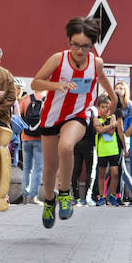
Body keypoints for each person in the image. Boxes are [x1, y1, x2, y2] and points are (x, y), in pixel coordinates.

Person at [30, 16, 117, 228]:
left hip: (78, 114)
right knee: (50, 167)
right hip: (52, 116)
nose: (79, 50)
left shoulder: (96, 62)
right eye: (75, 45)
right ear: (68, 41)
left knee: (67, 146)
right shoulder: (58, 59)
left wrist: (113, 97)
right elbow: (35, 83)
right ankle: (50, 201)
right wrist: (56, 86)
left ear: (92, 45)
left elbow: (102, 78)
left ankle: (66, 192)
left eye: (85, 46)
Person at [93, 95, 123, 206]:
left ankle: (112, 195)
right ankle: (101, 196)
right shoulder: (96, 118)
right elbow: (99, 131)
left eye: (107, 107)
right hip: (102, 151)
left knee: (115, 173)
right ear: (99, 108)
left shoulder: (113, 117)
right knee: (102, 173)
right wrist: (109, 126)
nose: (105, 109)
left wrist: (104, 126)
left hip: (113, 150)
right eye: (103, 107)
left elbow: (111, 132)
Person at [18, 91, 45, 204]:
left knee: (27, 168)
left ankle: (25, 195)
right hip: (40, 139)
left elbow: (18, 117)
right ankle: (33, 197)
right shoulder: (46, 100)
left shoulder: (25, 99)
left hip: (25, 137)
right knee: (38, 168)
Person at [71, 103, 98, 205]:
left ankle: (77, 197)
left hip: (77, 143)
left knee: (76, 170)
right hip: (89, 144)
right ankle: (87, 197)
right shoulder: (92, 110)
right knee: (89, 171)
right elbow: (95, 128)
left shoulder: (75, 109)